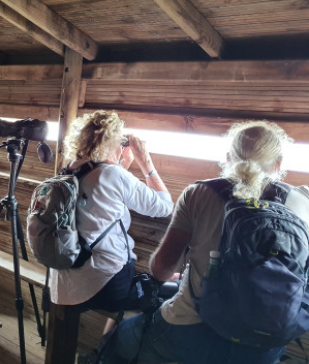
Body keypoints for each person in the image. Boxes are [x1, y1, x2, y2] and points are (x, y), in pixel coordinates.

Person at [104, 121, 309, 364]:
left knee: (120, 336)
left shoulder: (197, 193)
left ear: (228, 157)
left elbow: (161, 269)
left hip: (190, 328)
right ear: (278, 164)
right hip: (263, 342)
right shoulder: (303, 202)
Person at [48, 110, 174, 361]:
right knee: (150, 293)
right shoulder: (113, 175)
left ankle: (95, 353)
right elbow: (165, 206)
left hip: (62, 276)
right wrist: (145, 161)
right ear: (115, 142)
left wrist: (119, 163)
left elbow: (101, 190)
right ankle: (104, 354)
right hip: (104, 283)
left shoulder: (70, 168)